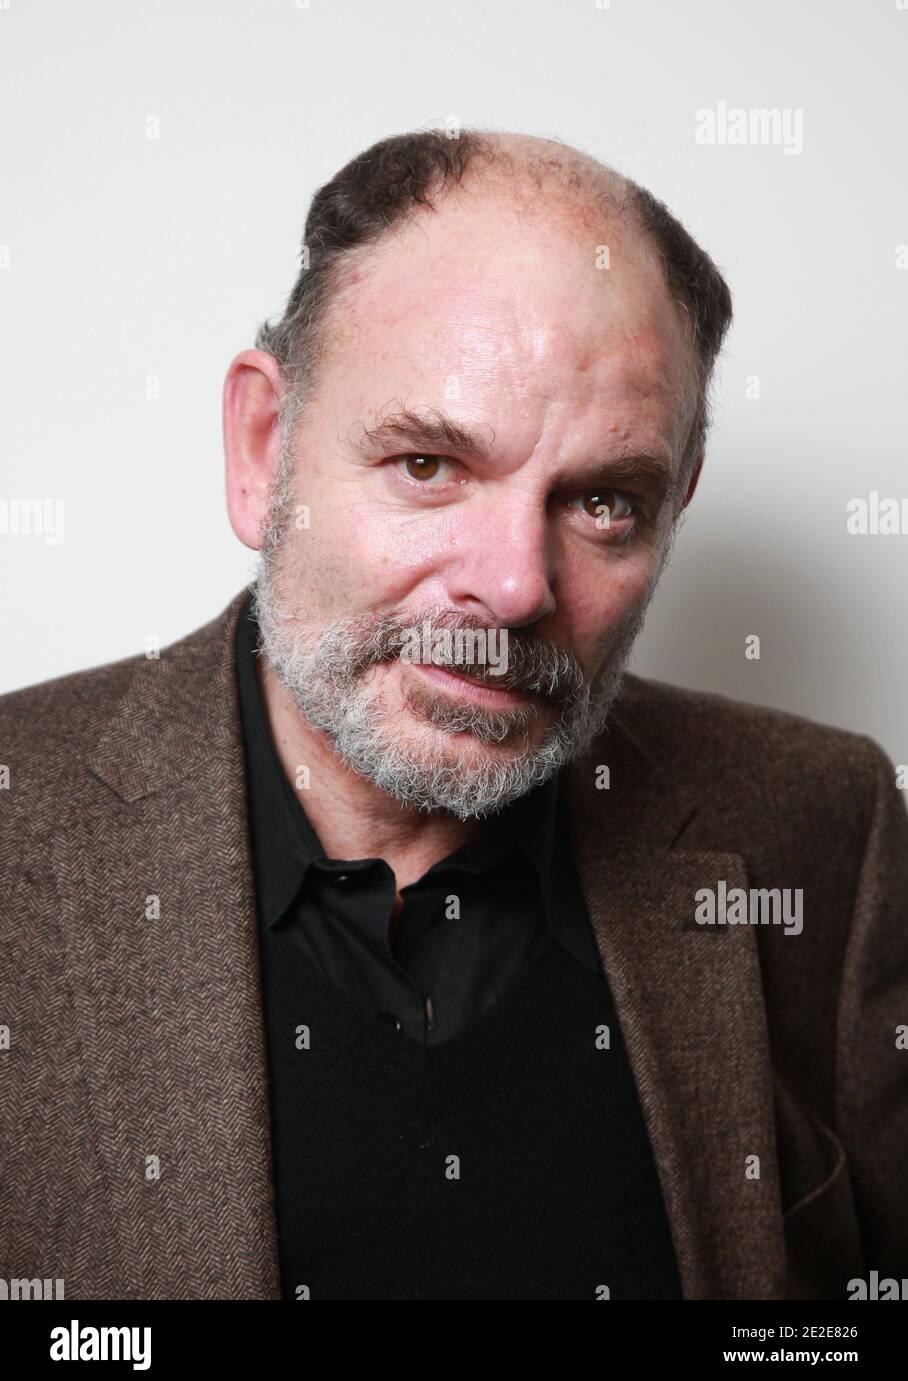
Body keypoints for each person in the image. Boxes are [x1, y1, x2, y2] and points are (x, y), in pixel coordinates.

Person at [1, 128, 905, 1300]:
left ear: (673, 505)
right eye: (429, 465)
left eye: (600, 502)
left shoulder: (821, 827)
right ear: (263, 449)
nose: (516, 585)